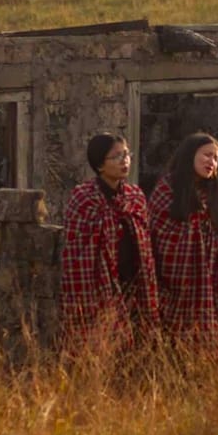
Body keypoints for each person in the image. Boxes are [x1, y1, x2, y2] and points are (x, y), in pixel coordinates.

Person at [59, 133, 160, 356]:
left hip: (134, 282)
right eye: (116, 157)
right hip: (98, 283)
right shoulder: (84, 197)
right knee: (100, 346)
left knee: (137, 347)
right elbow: (76, 250)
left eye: (127, 154)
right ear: (99, 165)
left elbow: (145, 241)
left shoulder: (135, 196)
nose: (125, 161)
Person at [148, 132, 218, 345]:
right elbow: (160, 232)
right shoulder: (168, 188)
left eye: (216, 158)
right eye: (206, 155)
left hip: (210, 277)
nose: (211, 162)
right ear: (190, 155)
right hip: (175, 278)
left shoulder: (214, 193)